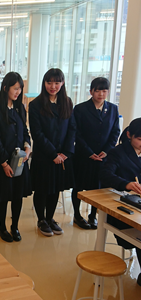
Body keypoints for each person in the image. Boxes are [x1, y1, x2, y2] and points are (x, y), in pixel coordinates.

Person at [29, 68, 76, 237]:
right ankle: (41, 219)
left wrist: (65, 153)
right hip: (44, 156)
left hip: (62, 156)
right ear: (44, 83)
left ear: (62, 83)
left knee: (55, 188)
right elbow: (37, 134)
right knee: (42, 189)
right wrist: (53, 154)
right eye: (49, 82)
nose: (53, 86)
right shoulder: (35, 105)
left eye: (57, 82)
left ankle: (50, 218)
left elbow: (72, 129)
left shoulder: (67, 102)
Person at [0, 72, 32, 242]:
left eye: (20, 89)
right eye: (15, 88)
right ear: (5, 88)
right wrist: (4, 163)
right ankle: (2, 226)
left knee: (17, 196)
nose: (18, 92)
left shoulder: (21, 108)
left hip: (21, 160)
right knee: (4, 196)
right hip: (3, 161)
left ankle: (15, 226)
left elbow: (25, 133)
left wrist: (28, 148)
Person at [71, 77, 120, 230]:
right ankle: (77, 215)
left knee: (98, 188)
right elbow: (76, 133)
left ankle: (93, 216)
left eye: (104, 91)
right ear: (91, 91)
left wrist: (106, 151)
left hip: (102, 157)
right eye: (97, 90)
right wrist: (89, 152)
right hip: (83, 156)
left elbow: (115, 132)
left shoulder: (113, 109)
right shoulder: (80, 109)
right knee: (79, 186)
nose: (101, 94)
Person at [99, 118, 141, 286]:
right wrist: (126, 184)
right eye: (140, 139)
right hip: (121, 206)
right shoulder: (118, 152)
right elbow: (105, 174)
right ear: (129, 135)